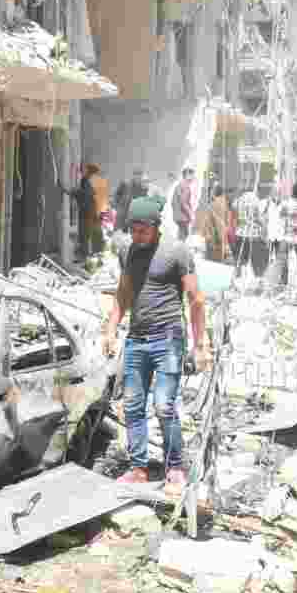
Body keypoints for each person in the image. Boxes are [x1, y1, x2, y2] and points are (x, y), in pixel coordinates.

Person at [102, 195, 213, 496]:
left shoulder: (177, 252)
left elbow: (196, 299)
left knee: (164, 405)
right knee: (134, 406)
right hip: (137, 340)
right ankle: (138, 468)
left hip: (168, 339)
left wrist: (200, 345)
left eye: (143, 231)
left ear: (156, 227)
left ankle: (174, 467)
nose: (137, 237)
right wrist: (111, 328)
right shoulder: (128, 250)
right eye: (133, 231)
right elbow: (124, 293)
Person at [232, 184, 271, 288]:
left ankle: (239, 282)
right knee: (256, 260)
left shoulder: (238, 200)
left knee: (241, 260)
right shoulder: (255, 200)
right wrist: (264, 226)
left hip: (240, 232)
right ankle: (258, 283)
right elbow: (258, 218)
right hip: (253, 234)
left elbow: (234, 208)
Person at [73, 163, 110, 259]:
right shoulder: (100, 180)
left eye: (85, 169)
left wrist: (75, 193)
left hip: (89, 210)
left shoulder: (88, 180)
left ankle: (85, 254)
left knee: (85, 232)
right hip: (97, 210)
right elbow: (103, 196)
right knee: (95, 231)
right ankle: (97, 252)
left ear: (89, 170)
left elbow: (86, 194)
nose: (83, 171)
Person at [172, 168, 197, 240]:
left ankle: (179, 248)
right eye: (192, 175)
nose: (193, 177)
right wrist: (191, 214)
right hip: (183, 216)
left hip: (179, 216)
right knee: (183, 235)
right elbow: (184, 202)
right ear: (187, 175)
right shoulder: (185, 186)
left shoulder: (179, 185)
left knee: (182, 234)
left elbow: (173, 202)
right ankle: (180, 249)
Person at [266, 190, 285, 289]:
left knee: (279, 259)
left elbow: (286, 220)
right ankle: (268, 280)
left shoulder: (283, 206)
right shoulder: (268, 204)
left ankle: (279, 280)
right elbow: (264, 217)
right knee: (268, 259)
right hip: (271, 235)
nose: (277, 197)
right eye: (275, 195)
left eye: (278, 195)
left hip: (280, 236)